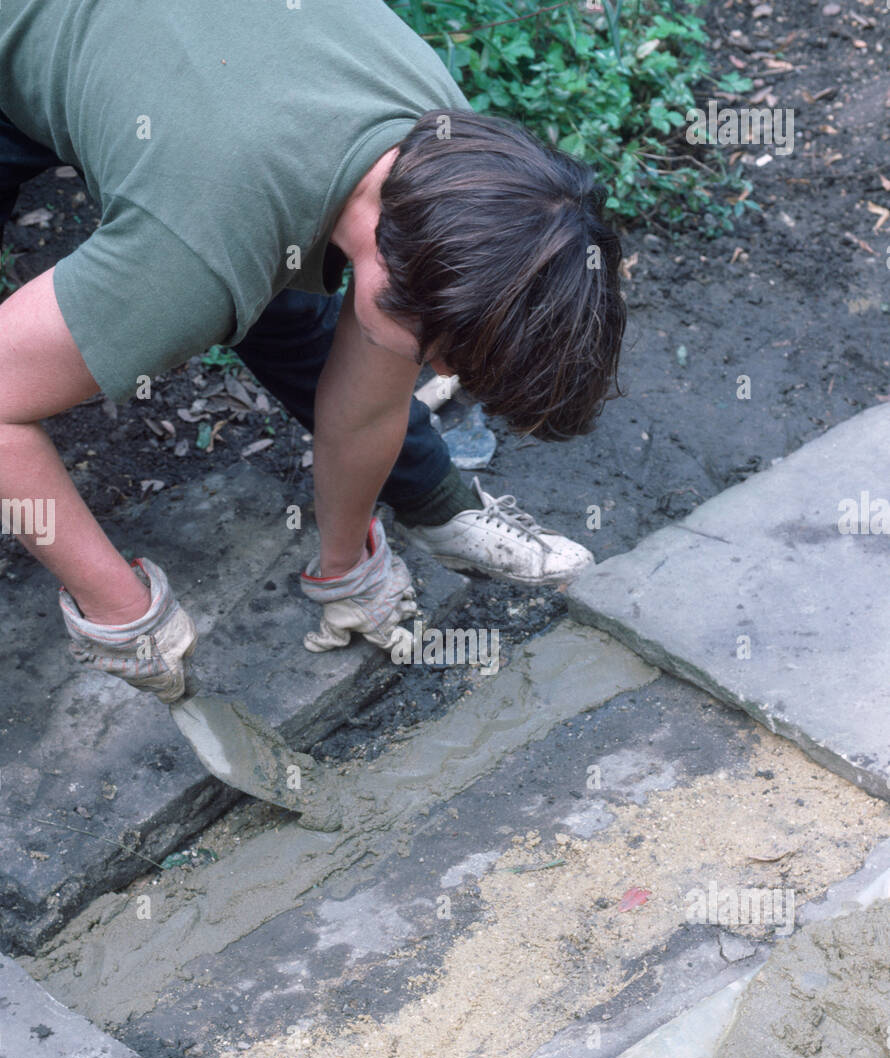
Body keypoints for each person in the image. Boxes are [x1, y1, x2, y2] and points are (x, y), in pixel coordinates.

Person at [0, 0, 626, 702]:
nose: (445, 374)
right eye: (451, 359)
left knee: (276, 290)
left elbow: (364, 405)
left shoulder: (455, 166)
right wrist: (118, 609)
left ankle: (424, 511)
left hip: (195, 98)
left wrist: (344, 566)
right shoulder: (196, 253)